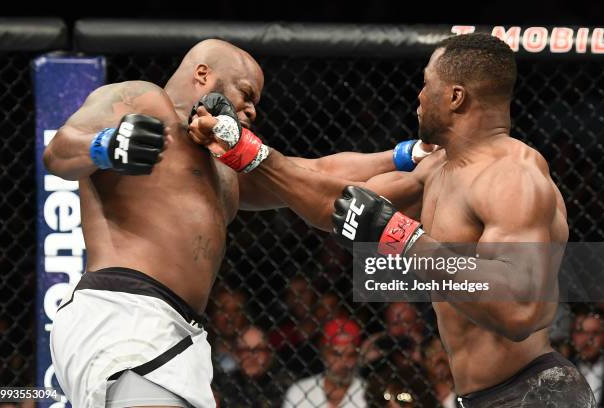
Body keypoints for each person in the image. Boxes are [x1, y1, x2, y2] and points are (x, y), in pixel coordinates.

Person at [192, 33, 595, 407]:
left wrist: (402, 237)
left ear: (455, 97)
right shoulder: (437, 170)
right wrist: (244, 149)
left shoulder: (512, 176)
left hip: (536, 393)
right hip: (482, 396)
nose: (419, 96)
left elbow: (519, 311)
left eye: (426, 83)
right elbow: (336, 201)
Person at [43, 38, 424, 407]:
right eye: (247, 94)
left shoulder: (223, 168)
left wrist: (412, 154)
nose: (253, 110)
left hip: (176, 328)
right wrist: (107, 145)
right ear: (204, 76)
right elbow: (58, 150)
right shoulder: (144, 99)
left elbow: (317, 170)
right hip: (124, 311)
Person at [283, 318, 367, 408]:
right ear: (323, 353)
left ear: (358, 356)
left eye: (351, 355)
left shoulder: (368, 392)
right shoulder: (300, 391)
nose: (344, 363)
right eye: (336, 355)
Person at [215, 326, 292, 407]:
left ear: (269, 353)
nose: (252, 356)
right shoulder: (224, 383)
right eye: (245, 350)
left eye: (258, 349)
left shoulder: (285, 385)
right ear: (235, 354)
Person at [571, 310, 604, 405]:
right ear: (571, 335)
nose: (588, 340)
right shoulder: (559, 370)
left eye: (595, 333)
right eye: (580, 332)